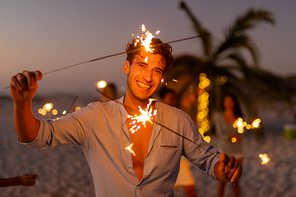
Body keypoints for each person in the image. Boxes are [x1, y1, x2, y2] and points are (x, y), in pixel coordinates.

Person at [10, 37, 242, 197]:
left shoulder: (178, 120)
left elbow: (209, 160)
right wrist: (23, 104)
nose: (148, 77)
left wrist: (223, 170)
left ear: (162, 77)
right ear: (126, 66)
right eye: (141, 65)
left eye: (157, 70)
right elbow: (37, 136)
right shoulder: (94, 116)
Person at [159, 87, 197, 197]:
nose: (174, 101)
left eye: (175, 98)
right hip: (164, 162)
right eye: (171, 98)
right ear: (163, 99)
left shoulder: (179, 115)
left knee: (191, 191)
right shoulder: (156, 116)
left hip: (180, 161)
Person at [211, 93, 244, 197]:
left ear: (234, 103)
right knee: (223, 180)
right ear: (223, 103)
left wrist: (238, 136)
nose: (229, 103)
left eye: (231, 101)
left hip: (238, 151)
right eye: (227, 101)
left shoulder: (239, 117)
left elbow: (242, 132)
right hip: (224, 151)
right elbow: (221, 134)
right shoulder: (219, 116)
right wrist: (231, 136)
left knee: (236, 180)